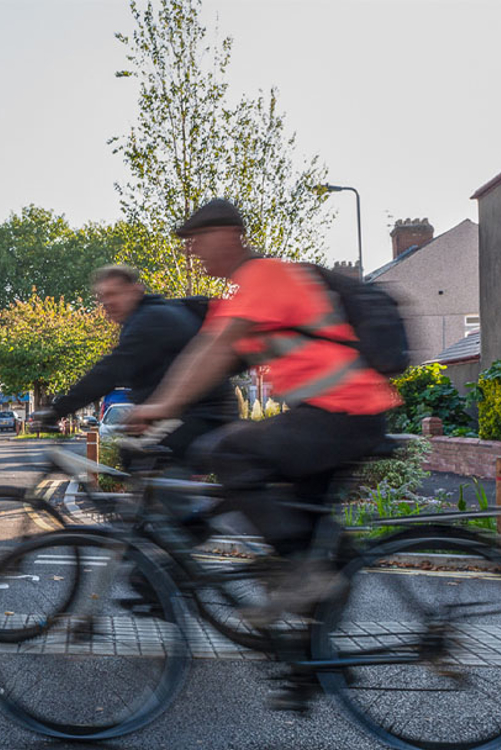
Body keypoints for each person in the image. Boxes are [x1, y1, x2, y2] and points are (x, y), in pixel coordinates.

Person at [128, 198, 398, 626]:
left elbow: (212, 352)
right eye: (187, 242)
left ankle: (302, 574)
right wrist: (169, 403)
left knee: (232, 452)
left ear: (232, 235)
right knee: (311, 541)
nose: (191, 249)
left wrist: (160, 406)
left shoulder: (264, 276)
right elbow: (213, 357)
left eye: (198, 238)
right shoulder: (245, 293)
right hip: (340, 416)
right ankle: (311, 670)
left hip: (342, 414)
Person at [34, 264, 237, 465]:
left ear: (135, 291)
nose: (107, 302)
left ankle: (180, 497)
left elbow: (108, 372)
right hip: (195, 413)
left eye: (114, 294)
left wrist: (57, 410)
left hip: (205, 416)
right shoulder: (147, 317)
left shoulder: (149, 320)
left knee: (149, 462)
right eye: (102, 297)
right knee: (133, 456)